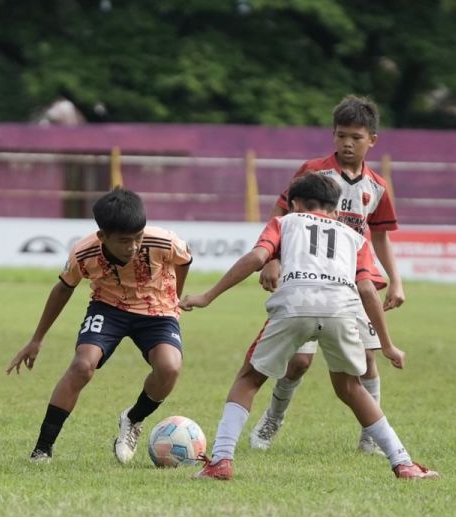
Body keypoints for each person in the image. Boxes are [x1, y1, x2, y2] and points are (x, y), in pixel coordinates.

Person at [180, 173, 436, 480]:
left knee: (249, 379)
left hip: (294, 306)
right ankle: (403, 462)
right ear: (336, 209)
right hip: (341, 310)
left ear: (294, 205)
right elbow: (368, 290)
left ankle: (221, 461)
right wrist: (388, 344)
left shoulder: (284, 223)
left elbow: (257, 257)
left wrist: (208, 296)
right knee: (351, 388)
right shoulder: (354, 237)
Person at [248, 95, 403, 455]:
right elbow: (282, 212)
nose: (347, 143)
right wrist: (272, 259)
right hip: (308, 278)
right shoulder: (313, 172)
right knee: (300, 361)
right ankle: (273, 417)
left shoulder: (377, 186)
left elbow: (379, 235)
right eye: (341, 135)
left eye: (356, 137)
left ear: (372, 140)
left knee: (367, 359)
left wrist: (395, 280)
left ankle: (370, 437)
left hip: (355, 284)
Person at [7, 187, 193, 461]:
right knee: (82, 366)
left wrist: (174, 297)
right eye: (124, 241)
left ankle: (132, 419)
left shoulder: (163, 241)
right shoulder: (85, 253)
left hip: (157, 311)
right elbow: (63, 288)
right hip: (109, 309)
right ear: (102, 236)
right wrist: (37, 339)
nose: (133, 247)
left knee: (169, 368)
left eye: (138, 238)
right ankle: (42, 449)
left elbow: (185, 259)